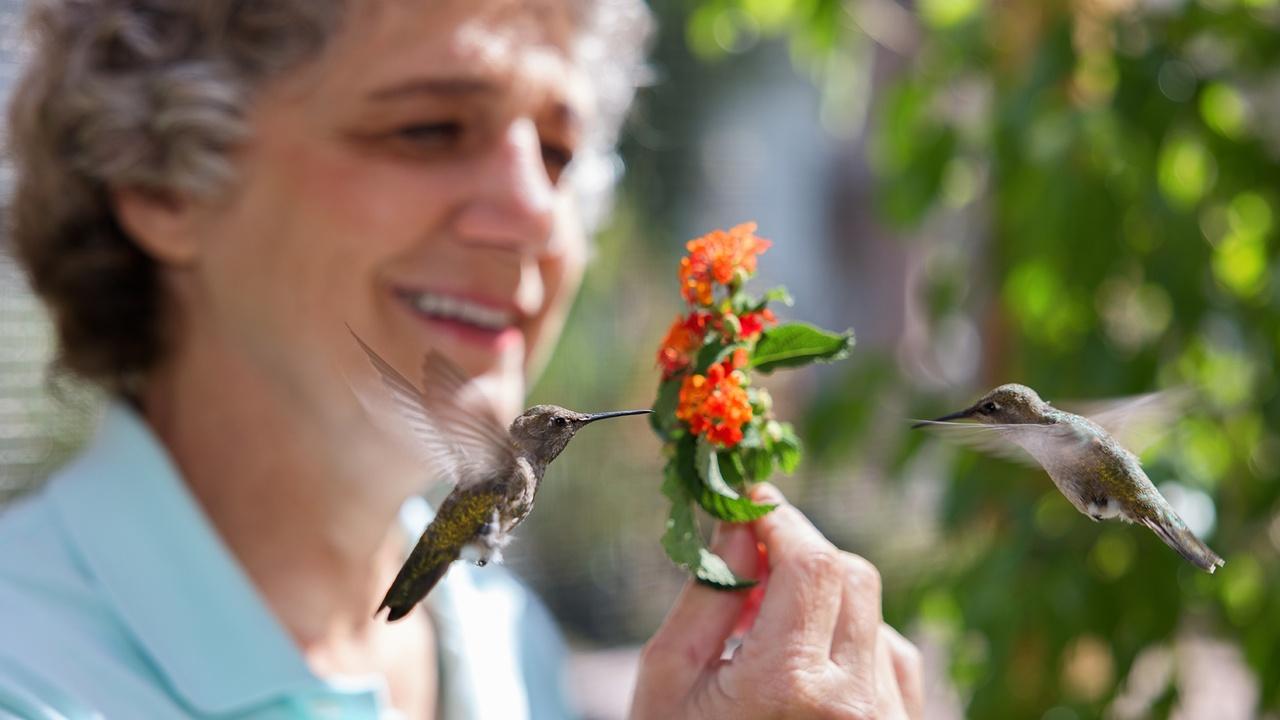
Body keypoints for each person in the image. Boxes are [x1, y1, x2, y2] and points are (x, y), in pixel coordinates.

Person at [0, 0, 924, 718]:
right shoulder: (30, 670)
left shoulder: (500, 643)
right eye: (429, 129)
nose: (539, 214)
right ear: (164, 177)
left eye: (560, 152)